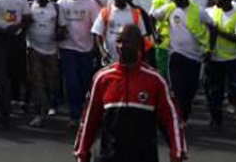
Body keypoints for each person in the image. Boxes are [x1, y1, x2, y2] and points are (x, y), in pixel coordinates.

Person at [74, 24, 186, 162]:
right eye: (119, 41)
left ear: (139, 44)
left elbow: (172, 119)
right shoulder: (102, 78)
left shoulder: (156, 80)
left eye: (126, 41)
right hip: (108, 156)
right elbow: (89, 119)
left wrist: (177, 152)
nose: (121, 46)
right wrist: (82, 153)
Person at [152, 0, 211, 122]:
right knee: (178, 90)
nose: (176, 1)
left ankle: (184, 112)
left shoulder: (199, 11)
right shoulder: (170, 8)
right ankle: (179, 118)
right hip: (176, 55)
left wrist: (209, 48)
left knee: (191, 90)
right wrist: (155, 35)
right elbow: (152, 16)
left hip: (195, 57)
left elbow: (212, 27)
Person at [205, 0, 236, 133]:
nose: (216, 0)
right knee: (214, 92)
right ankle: (216, 120)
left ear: (228, 0)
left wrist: (219, 32)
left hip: (232, 60)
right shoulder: (213, 12)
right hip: (215, 59)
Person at [57, 0, 100, 127]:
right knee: (71, 82)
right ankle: (74, 115)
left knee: (84, 82)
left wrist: (96, 47)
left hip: (86, 49)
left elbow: (97, 26)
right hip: (67, 48)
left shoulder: (90, 3)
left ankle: (85, 112)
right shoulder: (61, 3)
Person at [25, 0, 64, 127]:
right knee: (37, 81)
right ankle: (37, 113)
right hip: (34, 48)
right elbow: (24, 23)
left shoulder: (55, 7)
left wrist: (59, 34)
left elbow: (62, 26)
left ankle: (47, 106)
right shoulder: (30, 7)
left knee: (50, 82)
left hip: (51, 50)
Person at [92, 0, 147, 64]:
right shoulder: (105, 12)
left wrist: (142, 55)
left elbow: (142, 36)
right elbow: (97, 33)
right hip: (110, 59)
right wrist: (103, 53)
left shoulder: (135, 13)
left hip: (131, 60)